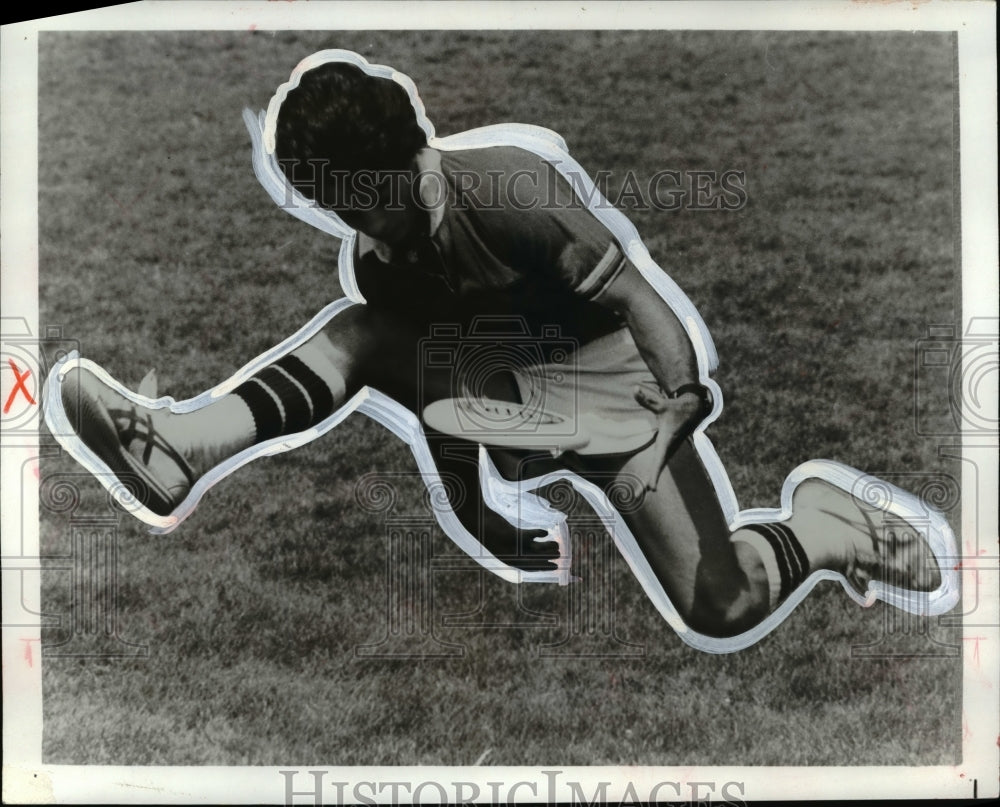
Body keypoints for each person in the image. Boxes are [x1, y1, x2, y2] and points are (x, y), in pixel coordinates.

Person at [46, 50, 958, 653]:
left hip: (621, 388)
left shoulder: (513, 190)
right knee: (360, 331)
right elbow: (431, 397)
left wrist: (677, 412)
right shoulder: (380, 257)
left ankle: (823, 528)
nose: (359, 230)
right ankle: (180, 444)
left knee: (721, 609)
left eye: (364, 204)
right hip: (514, 387)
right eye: (334, 210)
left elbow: (640, 300)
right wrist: (473, 508)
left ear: (410, 159)